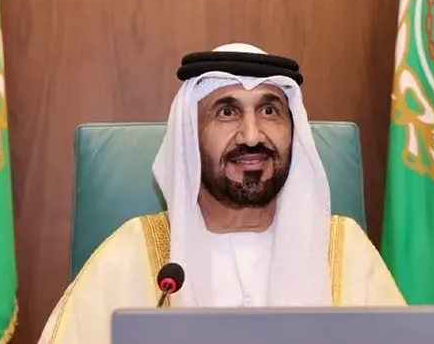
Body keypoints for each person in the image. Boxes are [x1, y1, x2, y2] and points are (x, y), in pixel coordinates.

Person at [38, 43, 405, 344]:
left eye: (270, 110)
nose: (252, 135)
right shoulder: (130, 255)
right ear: (190, 135)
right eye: (227, 112)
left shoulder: (344, 251)